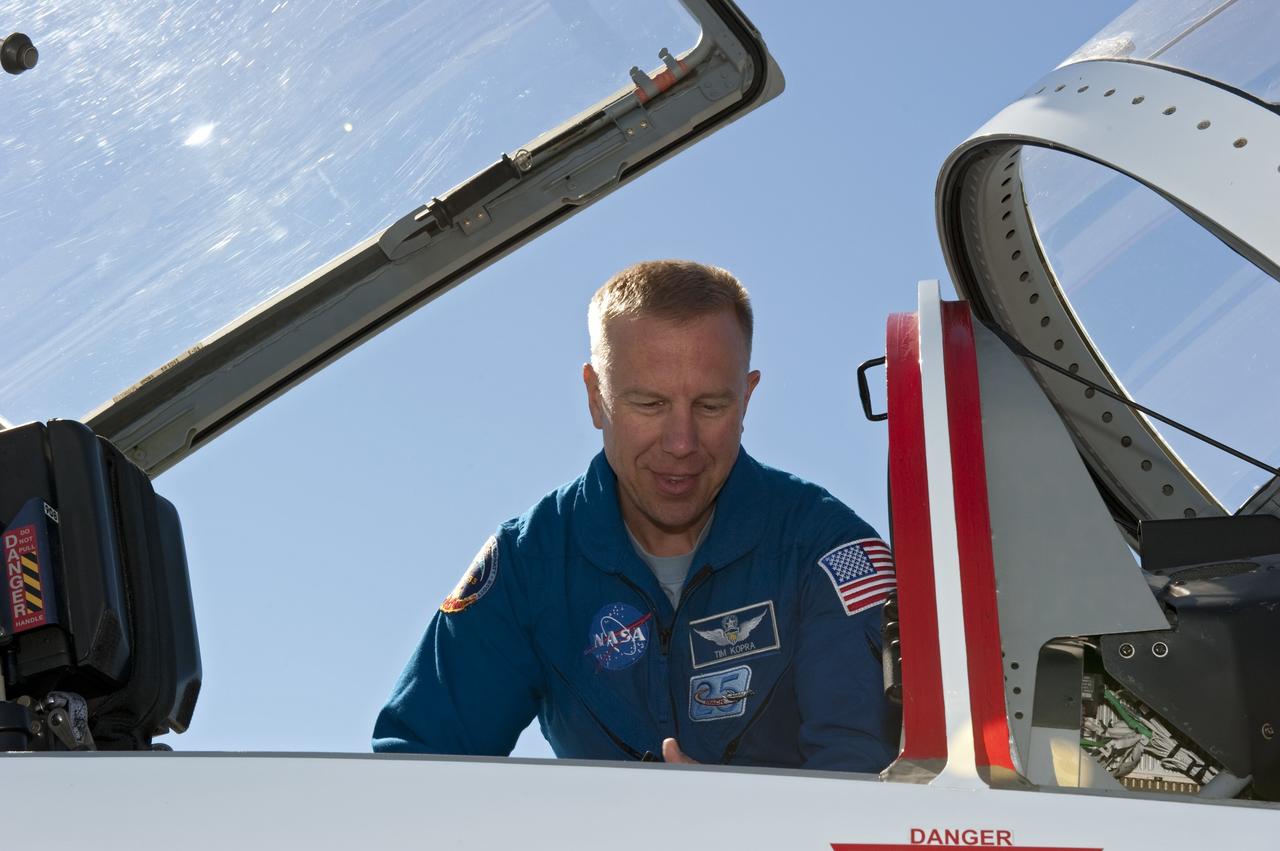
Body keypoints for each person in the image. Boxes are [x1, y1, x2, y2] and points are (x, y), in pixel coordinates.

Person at [373, 260, 897, 771]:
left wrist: (736, 824)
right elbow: (417, 769)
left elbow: (868, 781)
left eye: (712, 406)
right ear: (596, 398)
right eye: (649, 405)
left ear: (747, 396)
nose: (682, 443)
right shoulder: (528, 564)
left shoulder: (830, 551)